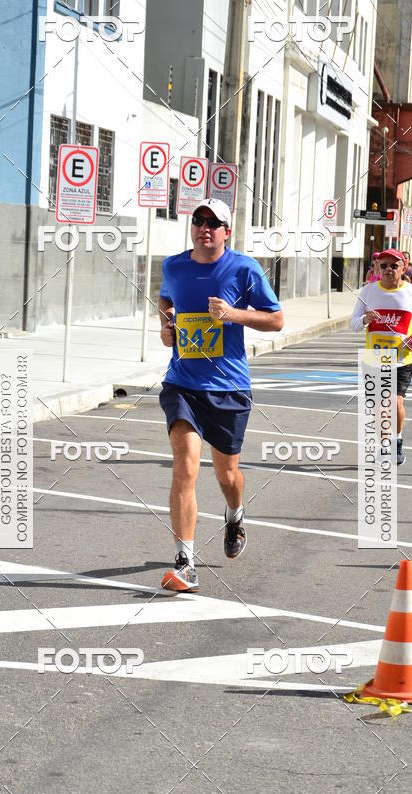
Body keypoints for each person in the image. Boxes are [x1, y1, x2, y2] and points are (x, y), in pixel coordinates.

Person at [157, 198, 283, 592]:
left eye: (214, 223)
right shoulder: (174, 266)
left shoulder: (243, 268)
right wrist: (165, 327)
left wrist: (234, 314)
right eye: (199, 221)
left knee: (228, 475)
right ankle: (185, 562)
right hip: (182, 384)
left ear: (227, 231)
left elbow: (276, 319)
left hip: (228, 387)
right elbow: (166, 299)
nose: (205, 228)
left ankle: (235, 514)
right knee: (186, 465)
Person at [350, 249, 412, 466]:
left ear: (404, 268)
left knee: (395, 403)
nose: (388, 269)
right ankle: (385, 445)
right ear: (378, 267)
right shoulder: (368, 292)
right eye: (384, 265)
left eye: (393, 266)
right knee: (379, 407)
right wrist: (365, 319)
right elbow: (353, 324)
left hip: (402, 359)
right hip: (374, 359)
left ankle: (397, 440)